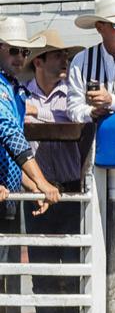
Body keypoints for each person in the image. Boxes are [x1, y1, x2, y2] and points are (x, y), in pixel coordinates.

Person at [21, 29, 84, 313]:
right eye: (59, 55)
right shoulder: (20, 96)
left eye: (65, 56)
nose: (65, 61)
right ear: (39, 62)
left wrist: (36, 112)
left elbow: (75, 116)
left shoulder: (71, 92)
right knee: (44, 274)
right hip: (36, 192)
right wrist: (32, 112)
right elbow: (17, 119)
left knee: (75, 271)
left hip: (71, 191)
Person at [0, 17, 59, 208]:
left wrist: (33, 187)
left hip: (9, 197)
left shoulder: (15, 89)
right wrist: (41, 181)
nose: (20, 58)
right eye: (14, 51)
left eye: (24, 52)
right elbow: (11, 135)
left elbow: (10, 154)